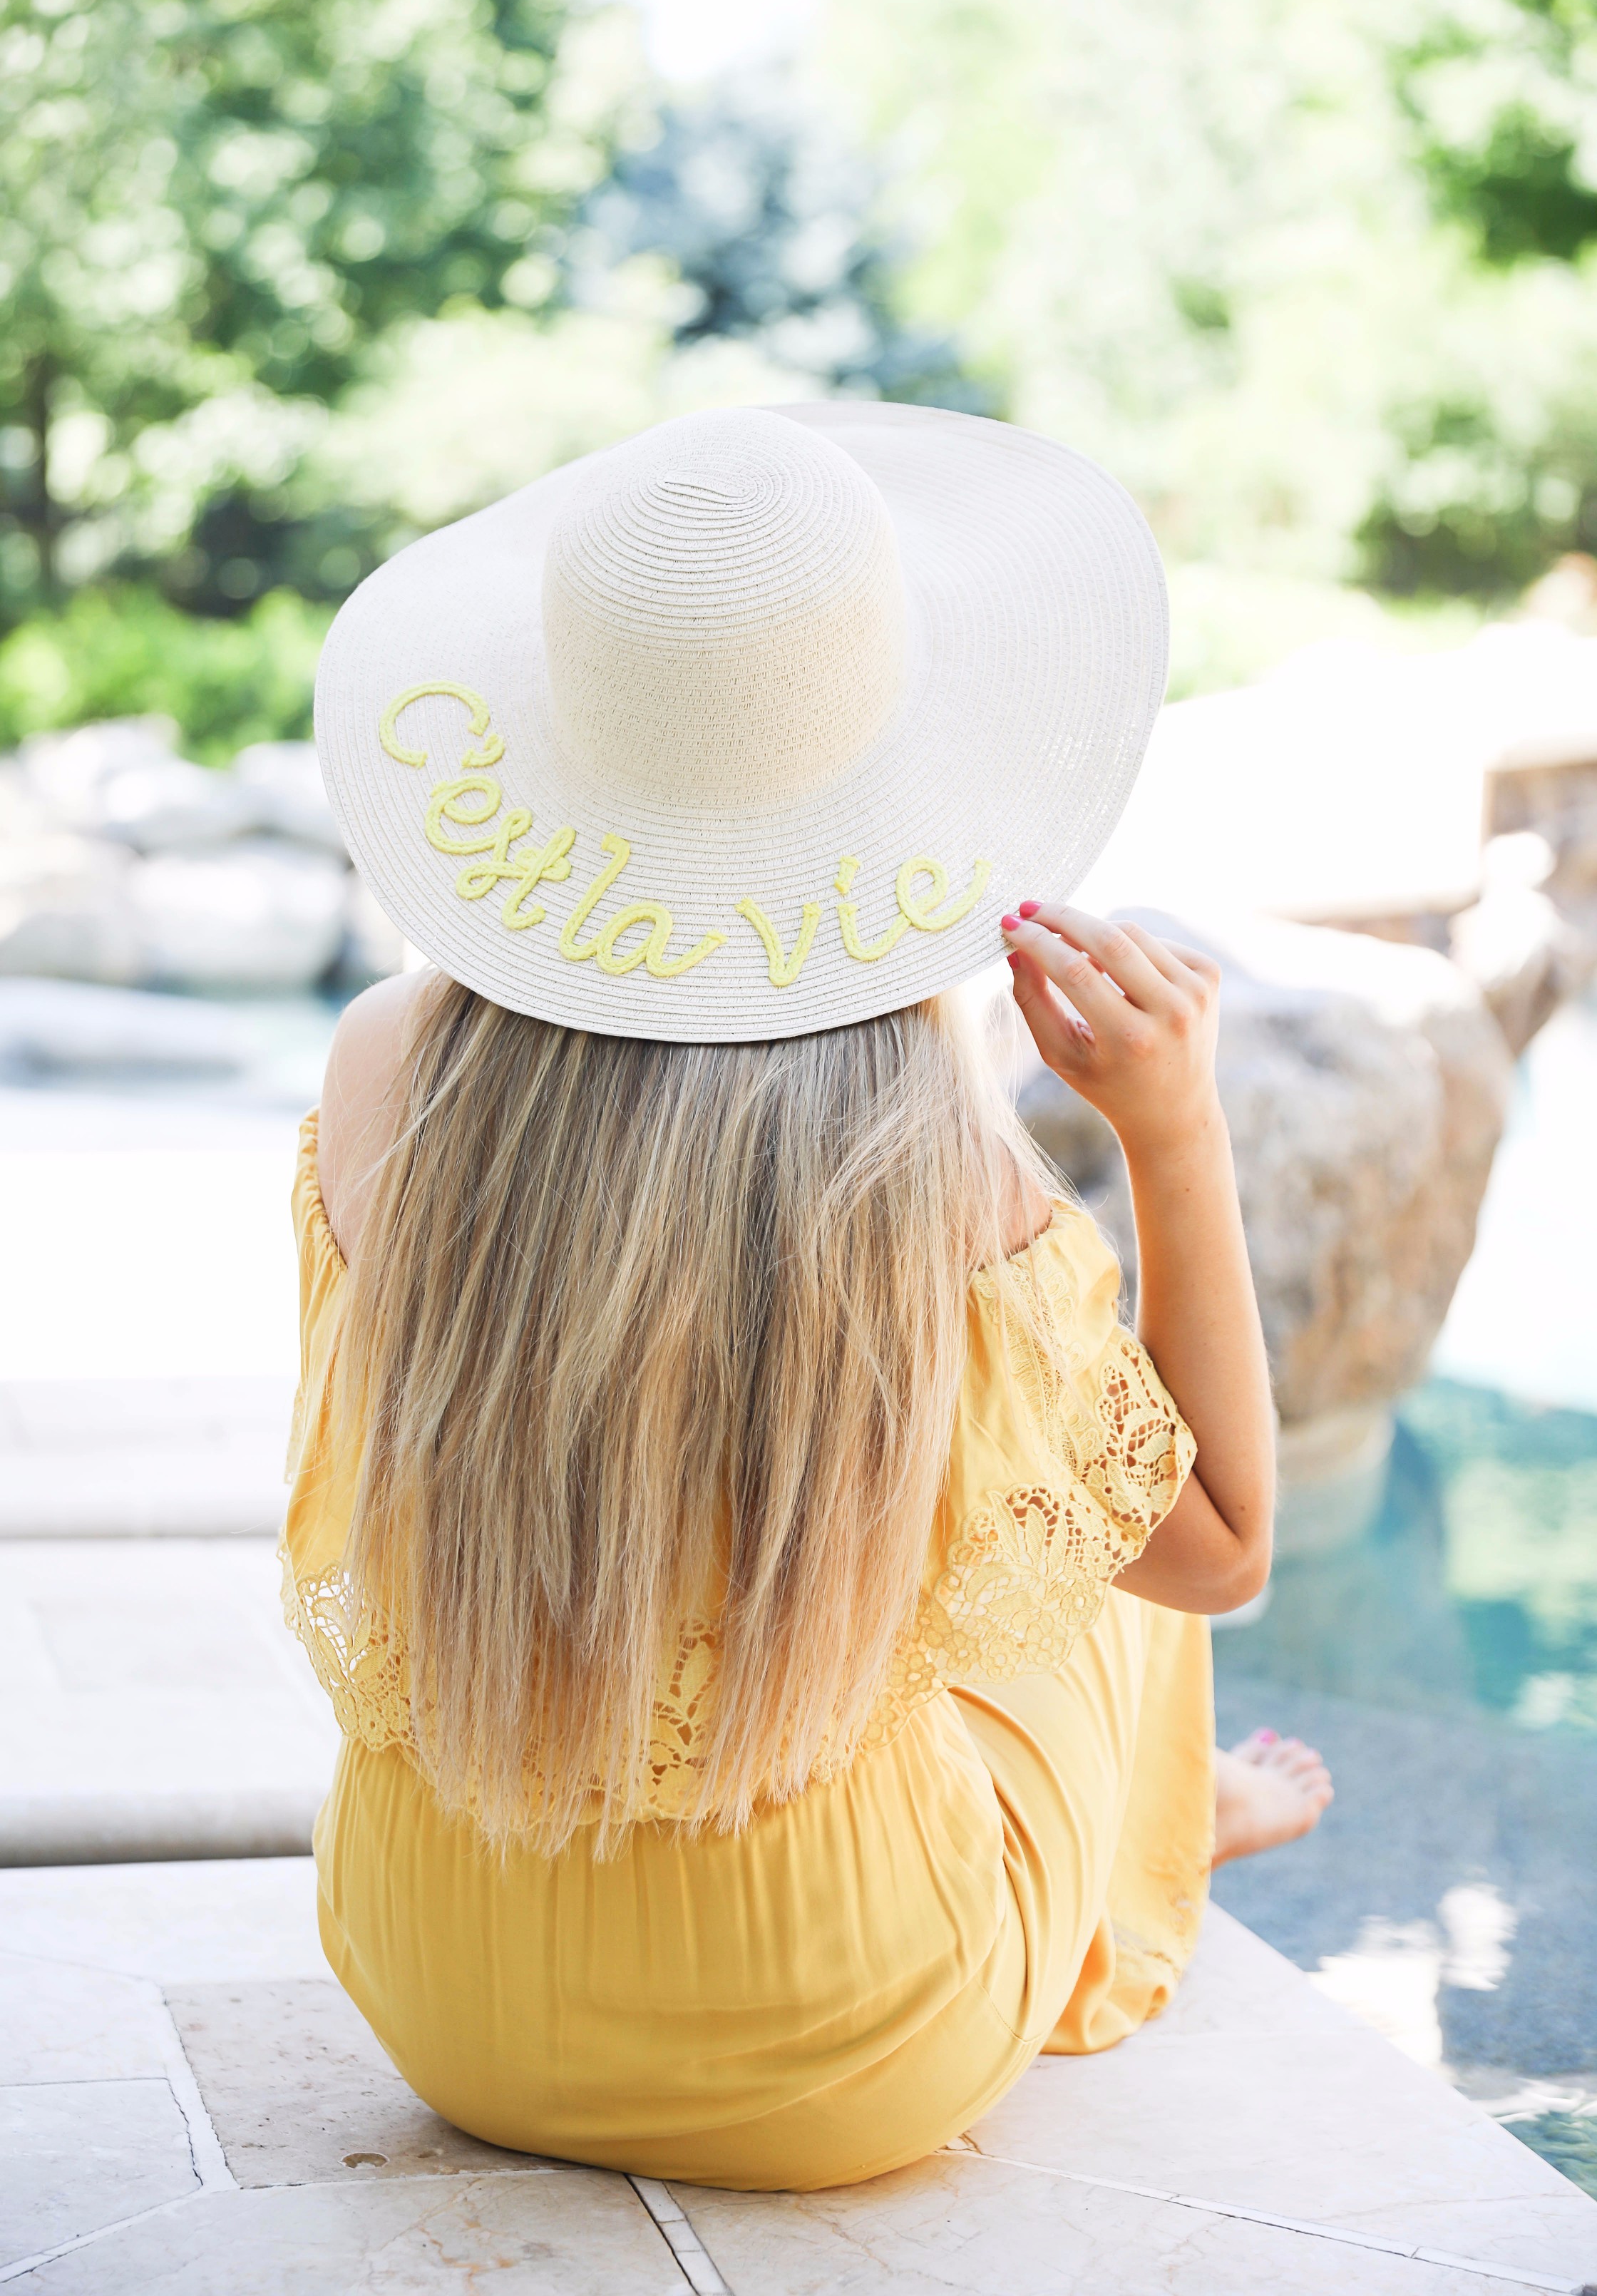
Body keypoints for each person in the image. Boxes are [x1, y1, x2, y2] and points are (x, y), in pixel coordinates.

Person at [284, 401, 1332, 2194]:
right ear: (896, 752)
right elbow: (1216, 1544)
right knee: (1094, 1522)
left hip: (436, 1988)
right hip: (844, 2033)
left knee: (1007, 1472)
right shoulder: (936, 1166)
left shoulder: (386, 1065)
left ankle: (1150, 1821)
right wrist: (1172, 1131)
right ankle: (1149, 1829)